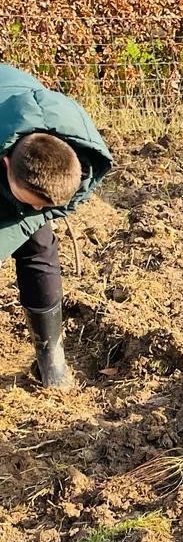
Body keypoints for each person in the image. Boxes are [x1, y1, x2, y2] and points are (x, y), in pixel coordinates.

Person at [1, 63, 112, 390]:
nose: (37, 209)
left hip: (14, 106)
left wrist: (36, 212)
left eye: (46, 205)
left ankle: (52, 362)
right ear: (5, 163)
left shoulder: (81, 151)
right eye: (30, 200)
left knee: (38, 243)